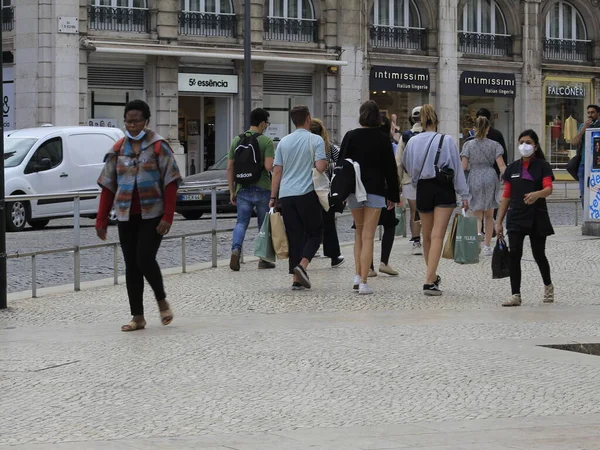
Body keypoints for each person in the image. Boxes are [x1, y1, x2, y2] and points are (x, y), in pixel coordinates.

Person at [96, 99, 182, 332]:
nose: (132, 125)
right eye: (128, 121)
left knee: (144, 258)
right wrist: (101, 219)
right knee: (131, 266)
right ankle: (138, 316)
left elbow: (171, 181)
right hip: (125, 215)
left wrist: (168, 216)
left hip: (153, 214)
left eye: (136, 121)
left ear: (146, 121)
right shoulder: (118, 149)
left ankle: (162, 300)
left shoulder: (158, 146)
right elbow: (108, 186)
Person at [402, 104, 469, 296]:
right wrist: (464, 194)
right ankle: (428, 280)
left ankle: (431, 277)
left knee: (427, 235)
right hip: (443, 188)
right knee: (438, 235)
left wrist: (416, 178)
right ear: (436, 120)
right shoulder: (447, 140)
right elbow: (456, 169)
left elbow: (406, 165)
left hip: (423, 187)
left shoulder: (413, 142)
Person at [339, 100, 400, 295]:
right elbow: (390, 169)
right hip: (375, 190)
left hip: (354, 190)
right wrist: (393, 195)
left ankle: (358, 275)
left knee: (359, 234)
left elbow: (341, 164)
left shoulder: (350, 136)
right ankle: (364, 281)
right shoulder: (382, 138)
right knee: (368, 236)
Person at [270, 105, 327, 290]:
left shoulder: (283, 142)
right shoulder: (315, 140)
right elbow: (320, 167)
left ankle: (295, 280)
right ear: (308, 118)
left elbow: (277, 171)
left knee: (294, 236)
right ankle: (302, 265)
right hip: (307, 193)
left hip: (286, 195)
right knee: (315, 233)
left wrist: (273, 196)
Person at [496, 130, 555, 307]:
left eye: (528, 142)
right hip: (516, 216)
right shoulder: (512, 168)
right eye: (521, 142)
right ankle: (516, 294)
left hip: (537, 215)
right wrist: (498, 221)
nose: (524, 145)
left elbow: (548, 189)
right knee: (514, 254)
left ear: (535, 146)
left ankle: (548, 285)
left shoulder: (543, 166)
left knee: (539, 254)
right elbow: (506, 196)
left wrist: (537, 194)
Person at [227, 107, 276, 272]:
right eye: (266, 123)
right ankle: (263, 259)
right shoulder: (266, 141)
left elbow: (229, 168)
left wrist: (232, 191)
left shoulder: (236, 140)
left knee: (241, 222)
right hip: (262, 187)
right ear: (262, 123)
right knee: (263, 224)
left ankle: (236, 250)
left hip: (242, 188)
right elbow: (269, 166)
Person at [461, 116, 506, 256]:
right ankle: (487, 246)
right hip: (490, 176)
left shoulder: (468, 145)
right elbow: (501, 166)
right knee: (489, 214)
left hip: (474, 176)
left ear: (475, 128)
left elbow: (463, 167)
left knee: (477, 214)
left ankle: (477, 241)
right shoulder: (495, 145)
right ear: (488, 128)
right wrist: (507, 178)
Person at [309, 118, 344, 268]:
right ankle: (334, 254)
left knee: (308, 222)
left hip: (307, 188)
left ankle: (307, 252)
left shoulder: (306, 146)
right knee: (328, 222)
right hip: (325, 189)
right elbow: (341, 165)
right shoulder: (330, 148)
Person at [368, 116, 400, 277]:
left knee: (368, 229)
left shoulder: (364, 141)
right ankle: (384, 262)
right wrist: (394, 194)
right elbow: (391, 169)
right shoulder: (387, 143)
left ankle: (369, 266)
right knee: (389, 225)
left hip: (367, 190)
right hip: (384, 190)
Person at [396, 106, 423, 255]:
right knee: (428, 210)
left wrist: (398, 181)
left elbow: (399, 161)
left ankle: (416, 240)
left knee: (414, 211)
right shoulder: (431, 135)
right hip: (428, 179)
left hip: (409, 178)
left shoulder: (405, 136)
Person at [572, 104, 600, 204]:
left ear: (598, 114)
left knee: (597, 192)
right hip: (584, 164)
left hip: (597, 165)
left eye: (592, 112)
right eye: (588, 112)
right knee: (583, 192)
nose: (590, 115)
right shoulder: (583, 126)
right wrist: (584, 128)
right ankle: (586, 216)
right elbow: (574, 142)